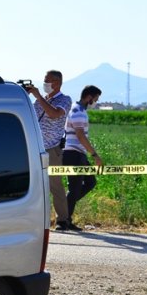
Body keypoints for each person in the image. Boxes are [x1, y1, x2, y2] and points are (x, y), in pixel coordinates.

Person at [25, 70, 72, 230]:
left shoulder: (64, 100)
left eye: (48, 80)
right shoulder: (41, 100)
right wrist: (26, 97)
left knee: (55, 185)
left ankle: (62, 220)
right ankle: (36, 218)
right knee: (35, 185)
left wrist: (38, 96)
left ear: (57, 83)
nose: (45, 83)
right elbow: (29, 116)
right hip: (35, 148)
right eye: (45, 80)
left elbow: (54, 114)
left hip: (52, 148)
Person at [62, 85, 103, 231]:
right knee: (75, 188)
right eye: (96, 99)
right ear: (89, 97)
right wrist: (95, 155)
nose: (96, 102)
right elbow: (80, 135)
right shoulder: (78, 111)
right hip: (73, 154)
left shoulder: (79, 109)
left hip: (79, 153)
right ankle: (65, 219)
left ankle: (65, 209)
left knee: (90, 182)